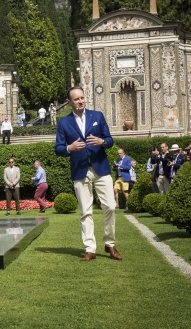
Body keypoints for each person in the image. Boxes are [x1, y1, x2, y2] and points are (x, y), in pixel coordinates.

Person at [55, 86, 122, 262]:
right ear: (69, 102)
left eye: (82, 98)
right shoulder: (63, 122)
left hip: (101, 168)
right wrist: (70, 148)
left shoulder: (97, 116)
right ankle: (90, 249)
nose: (80, 101)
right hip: (80, 171)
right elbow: (58, 148)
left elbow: (110, 140)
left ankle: (110, 244)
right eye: (76, 99)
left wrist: (102, 141)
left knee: (110, 206)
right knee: (86, 211)